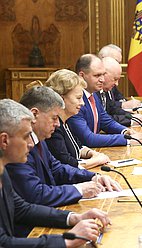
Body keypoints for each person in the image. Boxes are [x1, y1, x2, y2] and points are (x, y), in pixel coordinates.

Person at [0, 98, 111, 247]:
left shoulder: (2, 171)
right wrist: (65, 241)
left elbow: (21, 209)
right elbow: (3, 243)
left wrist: (74, 218)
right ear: (4, 141)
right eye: (26, 136)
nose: (31, 143)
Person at [6, 86, 122, 209]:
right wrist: (78, 190)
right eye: (54, 118)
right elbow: (35, 194)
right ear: (34, 114)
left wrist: (93, 177)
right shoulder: (17, 146)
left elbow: (57, 169)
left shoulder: (39, 139)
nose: (57, 124)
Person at [67, 54, 142, 147]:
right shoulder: (74, 101)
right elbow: (88, 139)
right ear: (81, 75)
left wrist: (125, 131)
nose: (102, 80)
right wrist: (127, 140)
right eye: (97, 75)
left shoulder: (93, 94)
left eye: (103, 74)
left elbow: (105, 120)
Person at [44, 69, 111, 168]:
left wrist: (92, 153)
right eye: (78, 98)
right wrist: (96, 161)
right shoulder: (53, 127)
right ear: (61, 99)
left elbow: (78, 147)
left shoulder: (66, 121)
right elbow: (66, 163)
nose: (82, 103)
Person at [98, 57, 142, 127]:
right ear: (104, 74)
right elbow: (102, 120)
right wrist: (130, 121)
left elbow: (112, 109)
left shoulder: (105, 90)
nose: (117, 84)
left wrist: (131, 116)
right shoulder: (94, 92)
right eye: (115, 79)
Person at [98, 44, 141, 109]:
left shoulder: (111, 81)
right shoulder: (97, 85)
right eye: (116, 61)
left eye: (119, 62)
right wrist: (123, 105)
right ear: (103, 59)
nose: (118, 65)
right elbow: (107, 109)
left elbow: (119, 97)